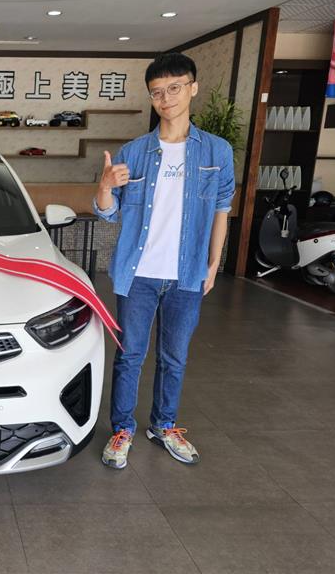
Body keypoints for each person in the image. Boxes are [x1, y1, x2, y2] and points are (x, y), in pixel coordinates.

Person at [93, 52, 235, 469]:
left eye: (175, 88)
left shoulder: (217, 151)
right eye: (157, 92)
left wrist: (213, 263)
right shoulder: (134, 151)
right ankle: (122, 428)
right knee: (130, 357)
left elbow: (222, 209)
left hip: (187, 274)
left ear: (193, 88)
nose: (166, 98)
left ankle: (164, 425)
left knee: (174, 358)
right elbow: (107, 212)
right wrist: (104, 185)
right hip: (138, 275)